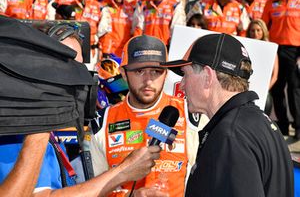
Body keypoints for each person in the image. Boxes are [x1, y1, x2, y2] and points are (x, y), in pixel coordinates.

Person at [0, 16, 162, 196]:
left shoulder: (47, 125)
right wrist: (122, 171)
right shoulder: (18, 128)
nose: (77, 77)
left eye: (80, 67)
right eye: (66, 65)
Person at [160, 33, 294, 196]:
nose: (181, 85)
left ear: (208, 77)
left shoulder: (230, 136)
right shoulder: (257, 122)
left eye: (185, 74)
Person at [92, 35, 204, 196]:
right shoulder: (102, 122)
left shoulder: (191, 114)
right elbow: (92, 189)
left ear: (166, 74)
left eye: (156, 71)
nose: (148, 80)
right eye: (139, 71)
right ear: (124, 73)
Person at [262, 0, 300, 139]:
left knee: (294, 88)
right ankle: (283, 125)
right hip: (275, 48)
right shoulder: (270, 3)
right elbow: (264, 26)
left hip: (295, 50)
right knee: (277, 89)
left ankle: (298, 126)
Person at [246, 19, 279, 116]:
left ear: (263, 31)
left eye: (258, 30)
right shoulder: (244, 47)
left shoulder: (271, 48)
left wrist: (264, 91)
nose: (255, 33)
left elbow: (275, 76)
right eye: (252, 30)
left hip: (263, 91)